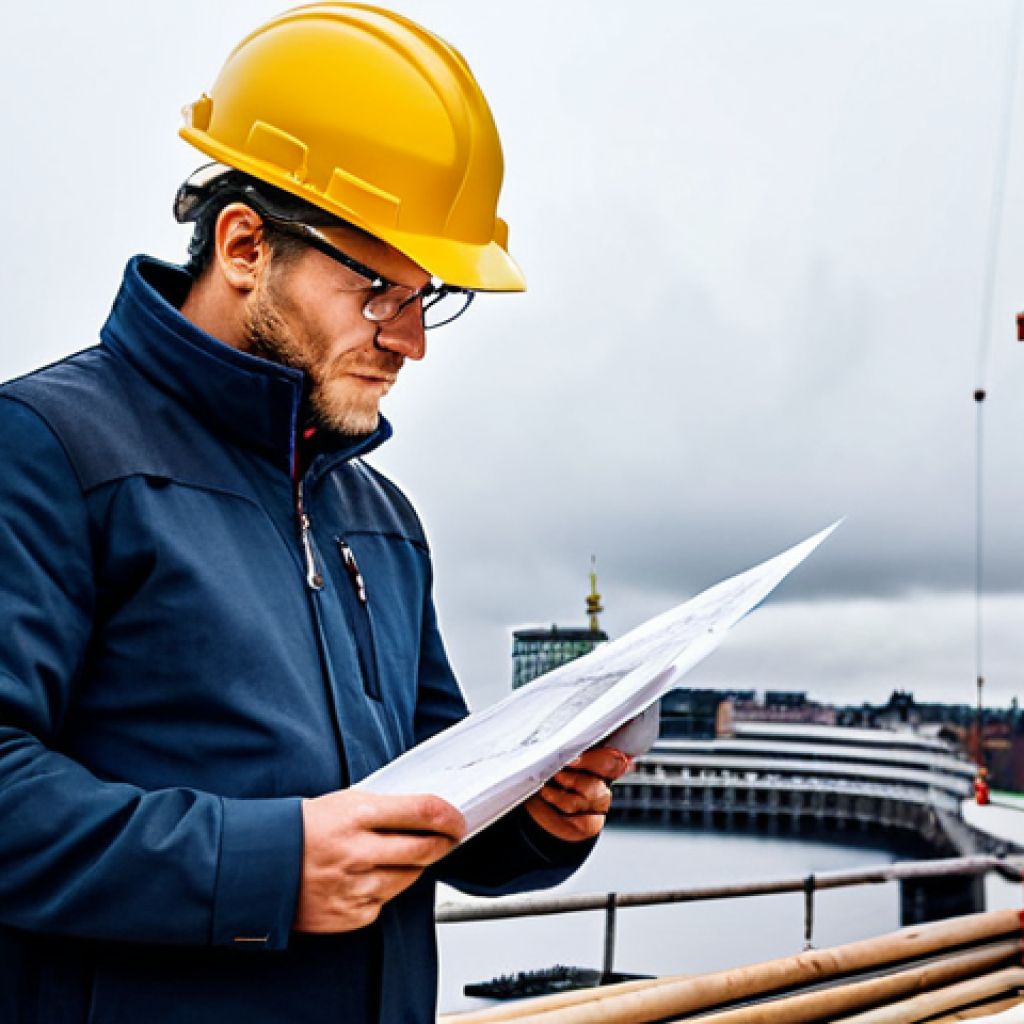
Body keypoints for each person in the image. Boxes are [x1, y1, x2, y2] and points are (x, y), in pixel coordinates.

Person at [0, 5, 628, 1023]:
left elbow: (433, 796)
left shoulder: (382, 517)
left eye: (430, 298)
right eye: (382, 289)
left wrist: (537, 820)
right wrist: (266, 867)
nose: (412, 340)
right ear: (245, 244)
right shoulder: (45, 449)